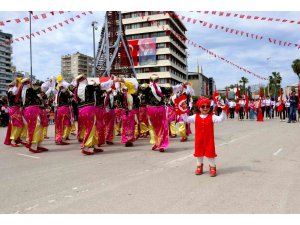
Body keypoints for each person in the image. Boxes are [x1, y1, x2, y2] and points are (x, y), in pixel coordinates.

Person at [138, 74, 186, 152]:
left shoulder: (146, 88)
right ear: (158, 80)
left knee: (159, 126)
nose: (153, 82)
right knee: (156, 127)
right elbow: (175, 88)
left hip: (155, 109)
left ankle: (160, 144)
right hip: (155, 109)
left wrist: (121, 81)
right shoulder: (158, 88)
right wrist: (183, 84)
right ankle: (158, 143)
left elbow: (134, 86)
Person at [181, 97, 225, 177]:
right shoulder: (195, 116)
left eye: (207, 106)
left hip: (209, 140)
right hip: (199, 140)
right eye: (203, 106)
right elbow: (186, 119)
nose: (205, 108)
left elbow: (221, 119)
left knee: (210, 153)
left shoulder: (212, 116)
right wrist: (182, 110)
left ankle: (212, 167)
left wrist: (223, 109)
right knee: (199, 154)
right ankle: (199, 167)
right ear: (199, 108)